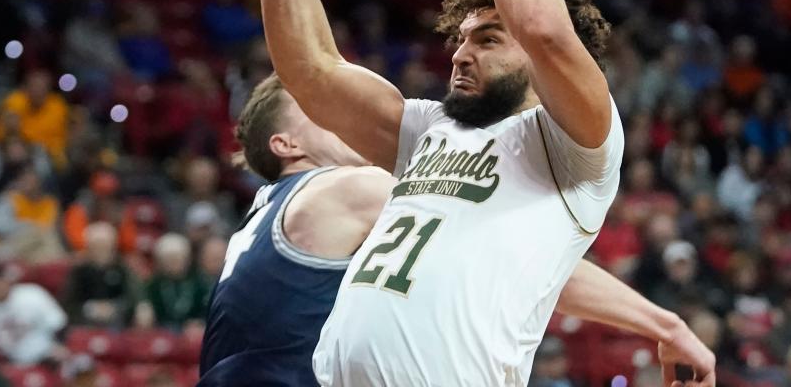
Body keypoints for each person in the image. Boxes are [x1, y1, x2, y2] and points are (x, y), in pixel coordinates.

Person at [257, 0, 714, 386]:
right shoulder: (429, 128)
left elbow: (543, 29)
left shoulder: (577, 148)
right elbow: (310, 70)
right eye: (461, 39)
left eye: (488, 39)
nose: (461, 55)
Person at [199, 75, 714, 386]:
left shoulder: (265, 212)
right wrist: (662, 324)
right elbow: (525, 262)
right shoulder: (349, 188)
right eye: (318, 109)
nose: (341, 112)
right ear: (287, 144)